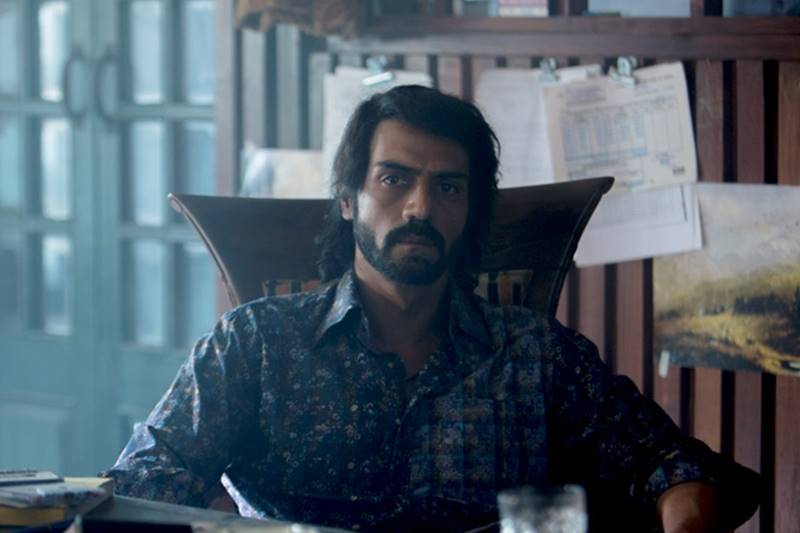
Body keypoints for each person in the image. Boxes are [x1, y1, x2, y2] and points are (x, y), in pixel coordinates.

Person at [105, 85, 759, 532]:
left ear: (470, 211)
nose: (420, 207)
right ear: (348, 200)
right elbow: (142, 476)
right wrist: (232, 522)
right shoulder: (255, 341)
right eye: (394, 179)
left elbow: (678, 467)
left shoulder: (535, 354)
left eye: (447, 187)